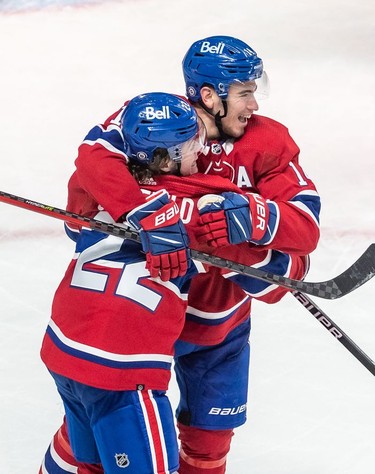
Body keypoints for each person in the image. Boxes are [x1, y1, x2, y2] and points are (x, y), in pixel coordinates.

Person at [39, 35, 321, 474]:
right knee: (99, 429)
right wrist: (144, 211)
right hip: (143, 316)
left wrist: (255, 221)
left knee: (207, 445)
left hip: (213, 321)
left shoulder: (267, 142)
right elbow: (93, 160)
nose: (255, 105)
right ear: (209, 95)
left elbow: (304, 229)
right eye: (245, 93)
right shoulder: (155, 119)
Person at [39, 92, 207, 474]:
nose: (199, 150)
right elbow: (264, 274)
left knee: (90, 464)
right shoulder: (197, 205)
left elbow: (73, 221)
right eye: (188, 144)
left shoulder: (101, 190)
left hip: (63, 350)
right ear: (163, 158)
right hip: (123, 371)